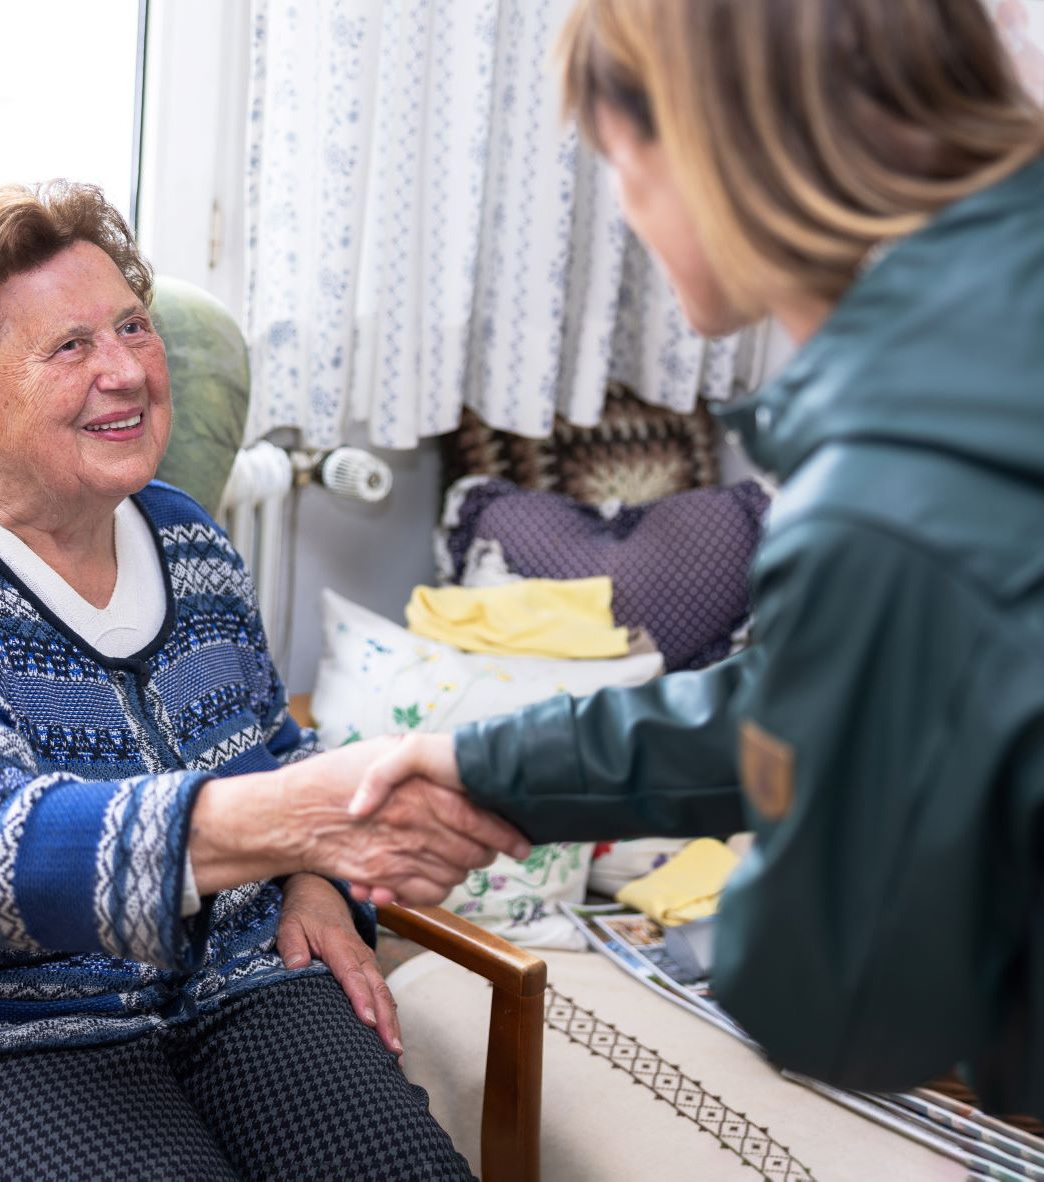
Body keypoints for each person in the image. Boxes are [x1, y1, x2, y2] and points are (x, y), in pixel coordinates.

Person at [349, 0, 1044, 1118]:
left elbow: (845, 1005)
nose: (626, 210)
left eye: (620, 161)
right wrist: (483, 766)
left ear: (713, 144)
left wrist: (734, 919)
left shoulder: (887, 494)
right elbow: (829, 700)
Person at [0, 181, 529, 1179]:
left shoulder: (186, 536)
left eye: (133, 326)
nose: (128, 370)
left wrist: (315, 878)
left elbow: (273, 745)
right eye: (70, 347)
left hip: (237, 988)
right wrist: (289, 820)